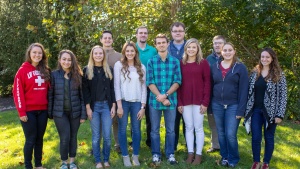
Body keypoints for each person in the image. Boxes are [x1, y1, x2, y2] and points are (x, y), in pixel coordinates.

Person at [244, 48, 287, 169]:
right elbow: (249, 92)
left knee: (269, 137)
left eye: (267, 57)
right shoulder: (255, 72)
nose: (264, 59)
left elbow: (283, 96)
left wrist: (280, 114)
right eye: (262, 57)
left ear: (272, 58)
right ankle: (256, 162)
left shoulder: (279, 74)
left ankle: (266, 163)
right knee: (256, 137)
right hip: (255, 111)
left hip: (271, 113)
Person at [13, 43, 51, 169]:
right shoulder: (22, 70)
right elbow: (17, 92)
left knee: (39, 139)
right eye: (34, 52)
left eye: (39, 53)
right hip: (28, 111)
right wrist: (21, 112)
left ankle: (38, 165)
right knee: (31, 139)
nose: (37, 55)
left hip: (43, 111)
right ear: (29, 53)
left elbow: (50, 91)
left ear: (43, 55)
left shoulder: (45, 70)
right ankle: (28, 166)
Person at [211, 42, 248, 168]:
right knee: (221, 133)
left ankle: (233, 158)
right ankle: (225, 156)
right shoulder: (215, 66)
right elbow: (211, 86)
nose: (227, 52)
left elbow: (244, 90)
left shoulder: (240, 67)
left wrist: (241, 110)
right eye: (225, 50)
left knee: (230, 134)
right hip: (217, 104)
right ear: (221, 52)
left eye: (230, 50)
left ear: (234, 51)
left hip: (234, 105)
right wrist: (210, 106)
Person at [48, 50, 87, 169]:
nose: (66, 62)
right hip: (60, 113)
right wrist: (50, 113)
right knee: (65, 137)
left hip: (75, 112)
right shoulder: (54, 75)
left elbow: (82, 97)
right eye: (64, 59)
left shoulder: (78, 76)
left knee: (73, 136)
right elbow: (50, 95)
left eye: (69, 60)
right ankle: (64, 162)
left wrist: (83, 114)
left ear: (72, 61)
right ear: (60, 60)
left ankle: (72, 161)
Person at [147, 34, 181, 166]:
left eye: (163, 42)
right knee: (154, 129)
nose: (161, 44)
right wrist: (161, 98)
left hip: (170, 101)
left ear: (168, 44)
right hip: (154, 102)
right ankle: (156, 154)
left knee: (171, 129)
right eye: (158, 43)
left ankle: (170, 153)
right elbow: (150, 82)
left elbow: (177, 81)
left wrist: (165, 95)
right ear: (155, 45)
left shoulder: (175, 61)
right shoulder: (151, 61)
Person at [177, 38, 211, 165]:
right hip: (185, 101)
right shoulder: (181, 63)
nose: (191, 49)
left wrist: (205, 102)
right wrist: (179, 102)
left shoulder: (203, 63)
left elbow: (207, 83)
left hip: (199, 101)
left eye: (194, 47)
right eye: (189, 47)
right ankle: (190, 153)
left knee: (198, 128)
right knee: (189, 127)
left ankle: (198, 155)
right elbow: (178, 84)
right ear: (186, 49)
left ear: (198, 49)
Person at [82, 45, 116, 168]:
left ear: (103, 55)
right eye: (95, 53)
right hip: (94, 107)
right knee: (96, 136)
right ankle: (97, 160)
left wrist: (113, 106)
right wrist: (88, 108)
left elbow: (112, 89)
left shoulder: (109, 69)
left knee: (107, 136)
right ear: (92, 55)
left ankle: (106, 159)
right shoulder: (87, 70)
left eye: (100, 53)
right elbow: (85, 91)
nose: (98, 55)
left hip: (106, 106)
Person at [114, 41, 147, 167]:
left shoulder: (141, 67)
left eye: (132, 51)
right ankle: (125, 156)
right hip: (123, 102)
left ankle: (135, 156)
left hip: (137, 103)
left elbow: (144, 88)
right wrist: (119, 105)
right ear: (124, 52)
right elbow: (116, 86)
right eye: (127, 51)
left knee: (136, 130)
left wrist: (143, 107)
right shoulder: (118, 65)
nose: (129, 53)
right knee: (122, 130)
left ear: (136, 52)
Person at [100, 30, 122, 153]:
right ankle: (97, 144)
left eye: (109, 38)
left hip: (115, 91)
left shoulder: (119, 56)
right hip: (100, 93)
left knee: (116, 120)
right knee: (100, 119)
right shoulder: (96, 53)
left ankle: (118, 144)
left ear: (112, 40)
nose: (107, 40)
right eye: (105, 38)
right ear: (101, 40)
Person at [135, 26, 157, 148]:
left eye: (145, 33)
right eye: (141, 33)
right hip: (134, 88)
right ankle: (135, 141)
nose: (143, 35)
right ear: (137, 35)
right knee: (135, 116)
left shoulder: (153, 51)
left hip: (149, 87)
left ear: (147, 35)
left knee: (150, 116)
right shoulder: (132, 49)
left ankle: (150, 141)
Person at [167, 22, 187, 151]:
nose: (178, 33)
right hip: (172, 88)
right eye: (175, 31)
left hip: (188, 88)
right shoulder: (167, 47)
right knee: (173, 121)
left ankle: (192, 147)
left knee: (188, 121)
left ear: (184, 32)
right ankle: (172, 148)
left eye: (180, 30)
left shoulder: (190, 46)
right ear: (171, 33)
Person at [206, 35, 226, 153]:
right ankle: (215, 145)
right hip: (212, 95)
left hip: (227, 96)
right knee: (213, 122)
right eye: (215, 43)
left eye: (219, 43)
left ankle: (226, 145)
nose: (217, 45)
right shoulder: (209, 59)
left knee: (226, 123)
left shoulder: (230, 57)